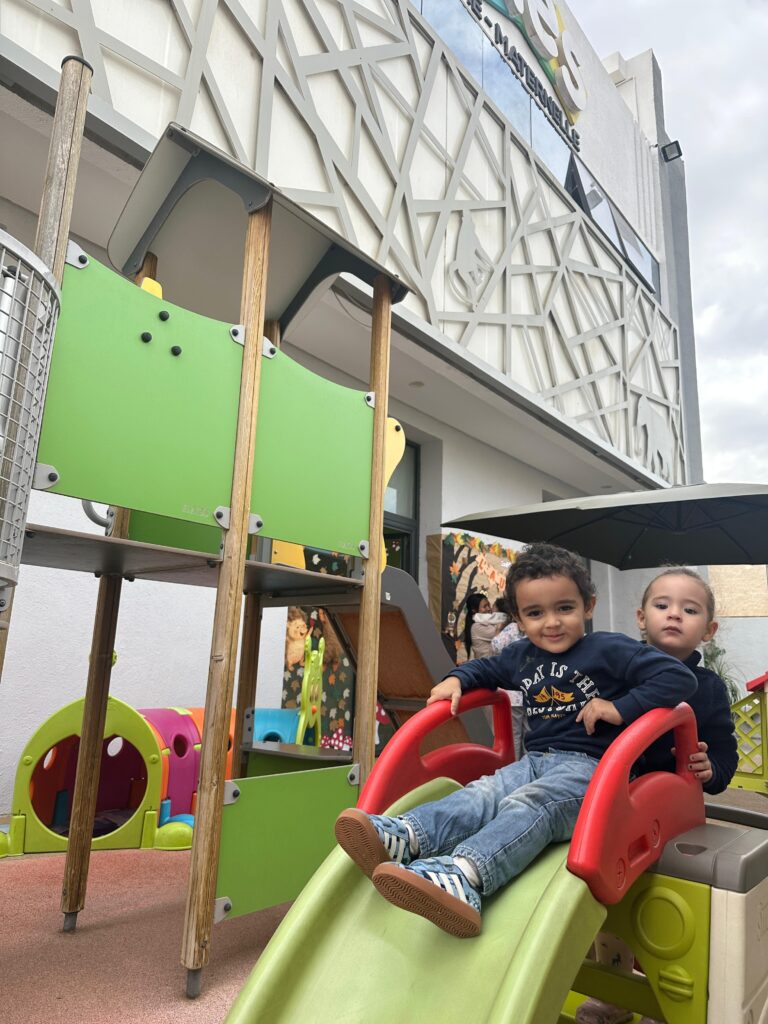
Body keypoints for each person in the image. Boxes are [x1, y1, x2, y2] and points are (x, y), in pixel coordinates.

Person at [334, 543, 697, 938]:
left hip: (595, 773)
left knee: (532, 803)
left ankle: (466, 875)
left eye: (565, 608)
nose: (551, 623)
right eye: (535, 613)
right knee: (484, 793)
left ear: (588, 605)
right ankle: (408, 837)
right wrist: (457, 679)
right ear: (519, 620)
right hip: (534, 761)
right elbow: (485, 669)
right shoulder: (522, 655)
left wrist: (620, 707)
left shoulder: (610, 649)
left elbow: (679, 678)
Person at [575, 566, 738, 1024]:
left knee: (663, 903)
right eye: (662, 605)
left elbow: (724, 751)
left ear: (708, 630)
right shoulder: (615, 676)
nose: (674, 614)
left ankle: (663, 996)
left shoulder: (708, 689)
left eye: (690, 609)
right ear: (641, 618)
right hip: (617, 808)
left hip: (674, 818)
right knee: (611, 899)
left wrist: (711, 767)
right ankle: (615, 996)